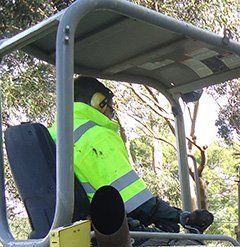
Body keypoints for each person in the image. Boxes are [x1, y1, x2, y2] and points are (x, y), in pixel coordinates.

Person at [49, 76, 213, 236]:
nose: (111, 114)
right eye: (111, 108)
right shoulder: (97, 136)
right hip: (103, 234)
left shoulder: (53, 133)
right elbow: (135, 201)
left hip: (70, 232)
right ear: (99, 102)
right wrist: (180, 217)